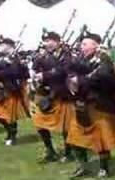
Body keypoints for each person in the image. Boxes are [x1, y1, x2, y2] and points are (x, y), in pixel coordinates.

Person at [65, 33, 115, 178]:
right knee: (75, 138)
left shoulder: (104, 59)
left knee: (101, 140)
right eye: (81, 44)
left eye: (85, 44)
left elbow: (103, 77)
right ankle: (83, 166)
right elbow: (69, 73)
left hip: (100, 104)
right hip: (82, 105)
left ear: (95, 45)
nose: (81, 47)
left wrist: (80, 80)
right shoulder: (80, 60)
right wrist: (71, 82)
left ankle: (104, 168)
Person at [33, 31, 74, 163]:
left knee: (66, 127)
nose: (47, 43)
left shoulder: (66, 54)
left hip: (62, 94)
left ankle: (69, 153)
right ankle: (50, 150)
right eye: (46, 41)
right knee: (39, 123)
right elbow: (36, 69)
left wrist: (44, 75)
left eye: (50, 40)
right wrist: (37, 76)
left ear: (57, 41)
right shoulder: (43, 55)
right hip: (46, 93)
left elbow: (63, 71)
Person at [0, 36, 30, 145]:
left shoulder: (17, 57)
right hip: (2, 89)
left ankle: (13, 136)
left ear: (9, 45)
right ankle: (9, 131)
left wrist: (1, 72)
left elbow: (15, 72)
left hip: (12, 89)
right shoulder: (2, 57)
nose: (1, 47)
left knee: (11, 116)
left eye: (2, 45)